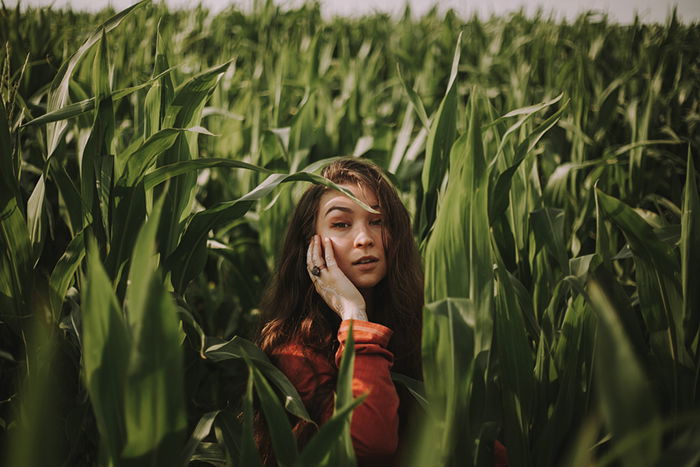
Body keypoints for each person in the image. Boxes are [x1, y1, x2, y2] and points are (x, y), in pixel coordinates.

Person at [257, 157, 423, 466]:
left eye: (378, 220)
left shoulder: (421, 322)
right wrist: (353, 312)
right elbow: (368, 445)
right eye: (341, 224)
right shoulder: (295, 353)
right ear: (312, 245)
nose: (365, 239)